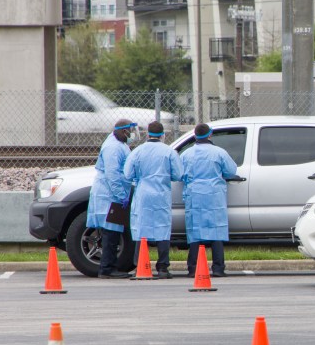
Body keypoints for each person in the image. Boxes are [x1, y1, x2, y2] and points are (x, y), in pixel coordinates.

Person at [123, 121, 183, 279]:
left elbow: (127, 174)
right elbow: (178, 174)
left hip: (143, 194)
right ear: (163, 135)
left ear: (147, 134)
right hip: (161, 194)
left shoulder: (137, 151)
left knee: (141, 228)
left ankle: (140, 266)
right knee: (162, 229)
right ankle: (163, 267)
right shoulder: (169, 152)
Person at [180, 123, 238, 278]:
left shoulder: (187, 154)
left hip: (194, 196)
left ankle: (193, 268)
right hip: (214, 196)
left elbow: (180, 174)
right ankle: (218, 268)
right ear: (210, 135)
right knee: (216, 231)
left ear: (195, 136)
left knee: (195, 231)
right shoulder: (219, 153)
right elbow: (231, 171)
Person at [86, 119, 137, 279]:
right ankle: (107, 269)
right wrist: (121, 195)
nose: (133, 134)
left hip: (113, 194)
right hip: (110, 195)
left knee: (113, 232)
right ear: (123, 131)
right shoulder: (113, 148)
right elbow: (112, 175)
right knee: (110, 233)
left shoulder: (118, 144)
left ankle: (109, 267)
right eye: (131, 130)